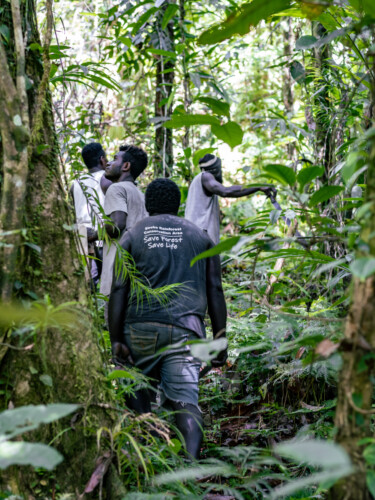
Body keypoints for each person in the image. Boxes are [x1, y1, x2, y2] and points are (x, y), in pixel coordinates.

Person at [108, 178, 227, 460]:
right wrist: (220, 338)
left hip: (139, 329)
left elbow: (118, 289)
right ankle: (190, 468)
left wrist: (115, 339)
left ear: (148, 205)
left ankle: (148, 456)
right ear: (178, 205)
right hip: (186, 331)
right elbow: (215, 289)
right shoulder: (201, 236)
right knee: (186, 403)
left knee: (138, 393)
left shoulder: (133, 235)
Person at [185, 154, 277, 244]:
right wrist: (258, 187)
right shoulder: (205, 176)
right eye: (219, 169)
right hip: (200, 236)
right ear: (214, 169)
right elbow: (226, 191)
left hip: (196, 235)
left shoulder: (200, 182)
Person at [100, 145, 148, 302]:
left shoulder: (116, 189)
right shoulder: (140, 194)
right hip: (137, 270)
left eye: (114, 159)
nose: (108, 163)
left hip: (118, 269)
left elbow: (117, 226)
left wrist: (95, 233)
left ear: (126, 166)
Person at [71, 142, 108, 287]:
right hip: (102, 235)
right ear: (102, 159)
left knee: (88, 282)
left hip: (82, 236)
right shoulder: (108, 179)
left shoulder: (76, 183)